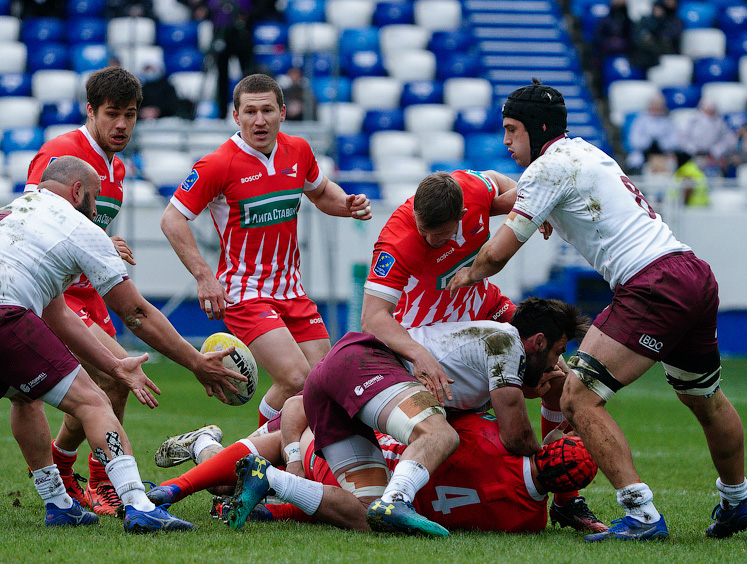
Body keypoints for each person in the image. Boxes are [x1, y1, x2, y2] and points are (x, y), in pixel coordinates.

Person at [447, 79, 747, 542]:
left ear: (535, 129)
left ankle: (642, 515)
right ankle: (736, 501)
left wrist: (461, 277)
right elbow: (526, 200)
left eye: (512, 130)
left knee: (577, 396)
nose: (506, 141)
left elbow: (496, 255)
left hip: (652, 285)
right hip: (691, 273)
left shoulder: (548, 169)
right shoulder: (585, 153)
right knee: (705, 399)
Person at [0, 157, 244, 532]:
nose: (96, 210)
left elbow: (58, 314)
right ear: (78, 191)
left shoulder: (6, 214)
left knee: (24, 398)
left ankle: (58, 503)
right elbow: (135, 313)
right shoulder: (78, 226)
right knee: (93, 401)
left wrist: (113, 365)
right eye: (94, 199)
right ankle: (139, 506)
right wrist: (194, 362)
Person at [360, 170, 607, 533]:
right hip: (430, 332)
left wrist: (536, 212)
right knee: (467, 412)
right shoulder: (399, 239)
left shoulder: (471, 191)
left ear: (461, 216)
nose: (428, 239)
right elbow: (372, 318)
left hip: (482, 308)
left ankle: (566, 499)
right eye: (423, 230)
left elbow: (507, 187)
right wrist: (418, 354)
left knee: (561, 377)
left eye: (438, 234)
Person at [160, 73, 372, 427]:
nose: (259, 120)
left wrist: (347, 204)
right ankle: (259, 451)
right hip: (246, 292)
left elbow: (321, 193)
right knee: (296, 379)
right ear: (236, 116)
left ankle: (270, 458)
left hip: (292, 289)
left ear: (283, 113)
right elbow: (172, 219)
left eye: (268, 111)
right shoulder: (218, 164)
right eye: (250, 112)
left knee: (322, 382)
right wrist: (205, 277)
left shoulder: (298, 150)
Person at [148, 407, 599, 534]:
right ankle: (267, 486)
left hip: (365, 459)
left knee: (293, 418)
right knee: (291, 422)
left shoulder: (489, 437)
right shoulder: (530, 521)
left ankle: (194, 468)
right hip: (372, 480)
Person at [24, 66, 144, 517]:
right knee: (116, 374)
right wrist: (96, 240)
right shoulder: (60, 154)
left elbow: (88, 227)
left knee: (110, 385)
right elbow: (33, 217)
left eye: (129, 115)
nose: (121, 125)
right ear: (90, 111)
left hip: (88, 293)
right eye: (112, 114)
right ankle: (103, 483)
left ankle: (65, 464)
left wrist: (102, 243)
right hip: (58, 293)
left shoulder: (119, 167)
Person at [678, 98, 738, 177]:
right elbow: (682, 138)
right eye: (707, 108)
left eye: (712, 109)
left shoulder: (720, 122)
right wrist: (693, 150)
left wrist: (715, 151)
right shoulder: (692, 120)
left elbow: (728, 140)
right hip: (692, 155)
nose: (709, 111)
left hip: (713, 157)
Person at [626, 92, 680, 172]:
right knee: (635, 159)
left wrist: (661, 142)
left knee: (672, 162)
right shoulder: (640, 120)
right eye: (654, 105)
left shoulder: (668, 121)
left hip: (663, 152)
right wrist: (649, 140)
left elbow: (675, 141)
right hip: (644, 152)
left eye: (659, 106)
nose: (656, 108)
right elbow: (633, 141)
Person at [629, 0, 682, 71]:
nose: (657, 11)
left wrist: (659, 21)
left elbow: (667, 38)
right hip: (648, 50)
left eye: (660, 9)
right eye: (655, 9)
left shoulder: (673, 22)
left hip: (665, 49)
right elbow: (637, 36)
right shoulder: (646, 20)